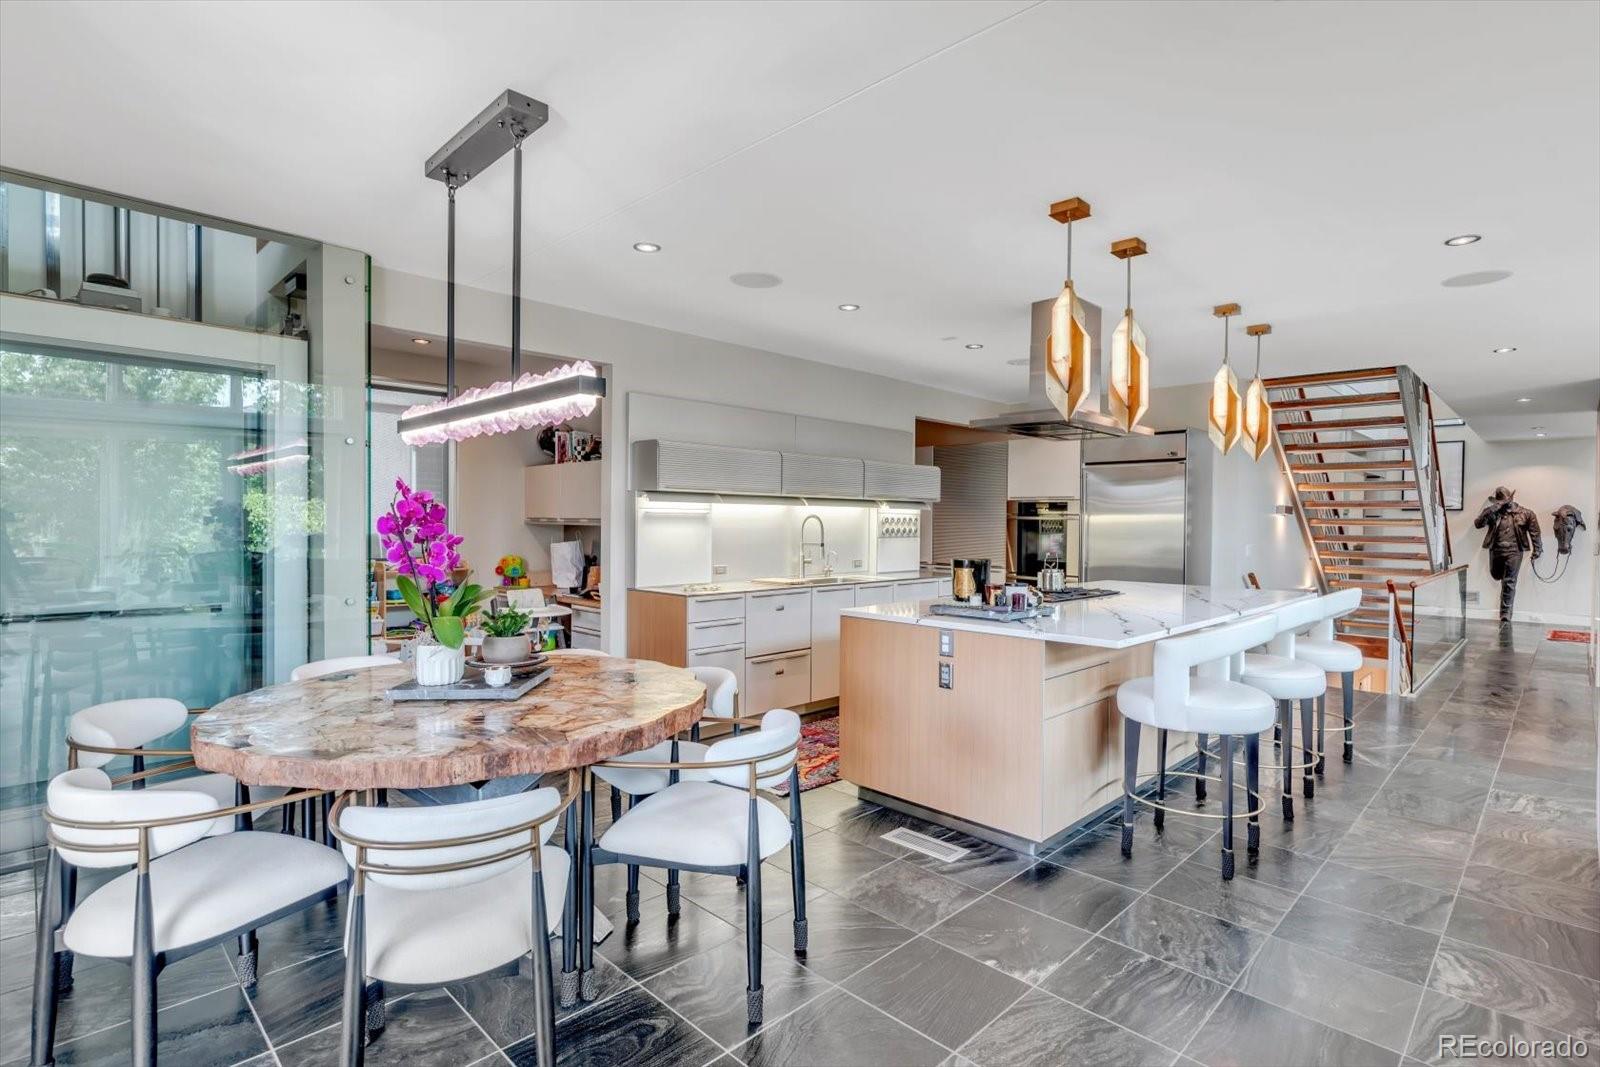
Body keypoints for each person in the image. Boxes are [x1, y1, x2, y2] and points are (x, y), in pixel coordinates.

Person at [1473, 486, 1543, 623]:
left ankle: (1505, 613)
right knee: (1496, 575)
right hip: (1495, 550)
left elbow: (1535, 533)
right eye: (1498, 502)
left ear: (1511, 499)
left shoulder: (1526, 513)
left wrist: (1537, 549)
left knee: (1509, 582)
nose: (1501, 504)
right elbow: (1478, 524)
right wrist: (1493, 508)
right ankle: (1504, 611)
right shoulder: (1494, 512)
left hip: (1514, 551)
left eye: (1503, 501)